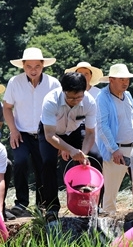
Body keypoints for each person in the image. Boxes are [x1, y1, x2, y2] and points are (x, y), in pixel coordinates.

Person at [3, 47, 60, 216]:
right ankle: (21, 202)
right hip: (21, 132)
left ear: (43, 65)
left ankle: (41, 204)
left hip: (45, 133)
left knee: (44, 167)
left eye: (37, 66)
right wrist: (13, 130)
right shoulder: (15, 82)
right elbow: (7, 107)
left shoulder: (53, 84)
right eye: (29, 66)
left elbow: (60, 111)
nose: (33, 70)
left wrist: (57, 138)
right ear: (23, 66)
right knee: (20, 162)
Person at [38, 72, 102, 221]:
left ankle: (94, 204)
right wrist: (69, 149)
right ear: (63, 91)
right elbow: (49, 135)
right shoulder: (51, 100)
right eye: (71, 98)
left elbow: (90, 133)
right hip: (51, 132)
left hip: (74, 131)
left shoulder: (89, 102)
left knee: (96, 157)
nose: (75, 101)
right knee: (48, 162)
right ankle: (52, 207)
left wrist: (82, 154)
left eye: (79, 97)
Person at [95, 63, 133, 215]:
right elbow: (102, 126)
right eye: (121, 79)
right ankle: (108, 222)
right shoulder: (102, 97)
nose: (125, 82)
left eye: (127, 79)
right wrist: (114, 150)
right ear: (111, 80)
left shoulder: (128, 96)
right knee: (111, 192)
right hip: (116, 150)